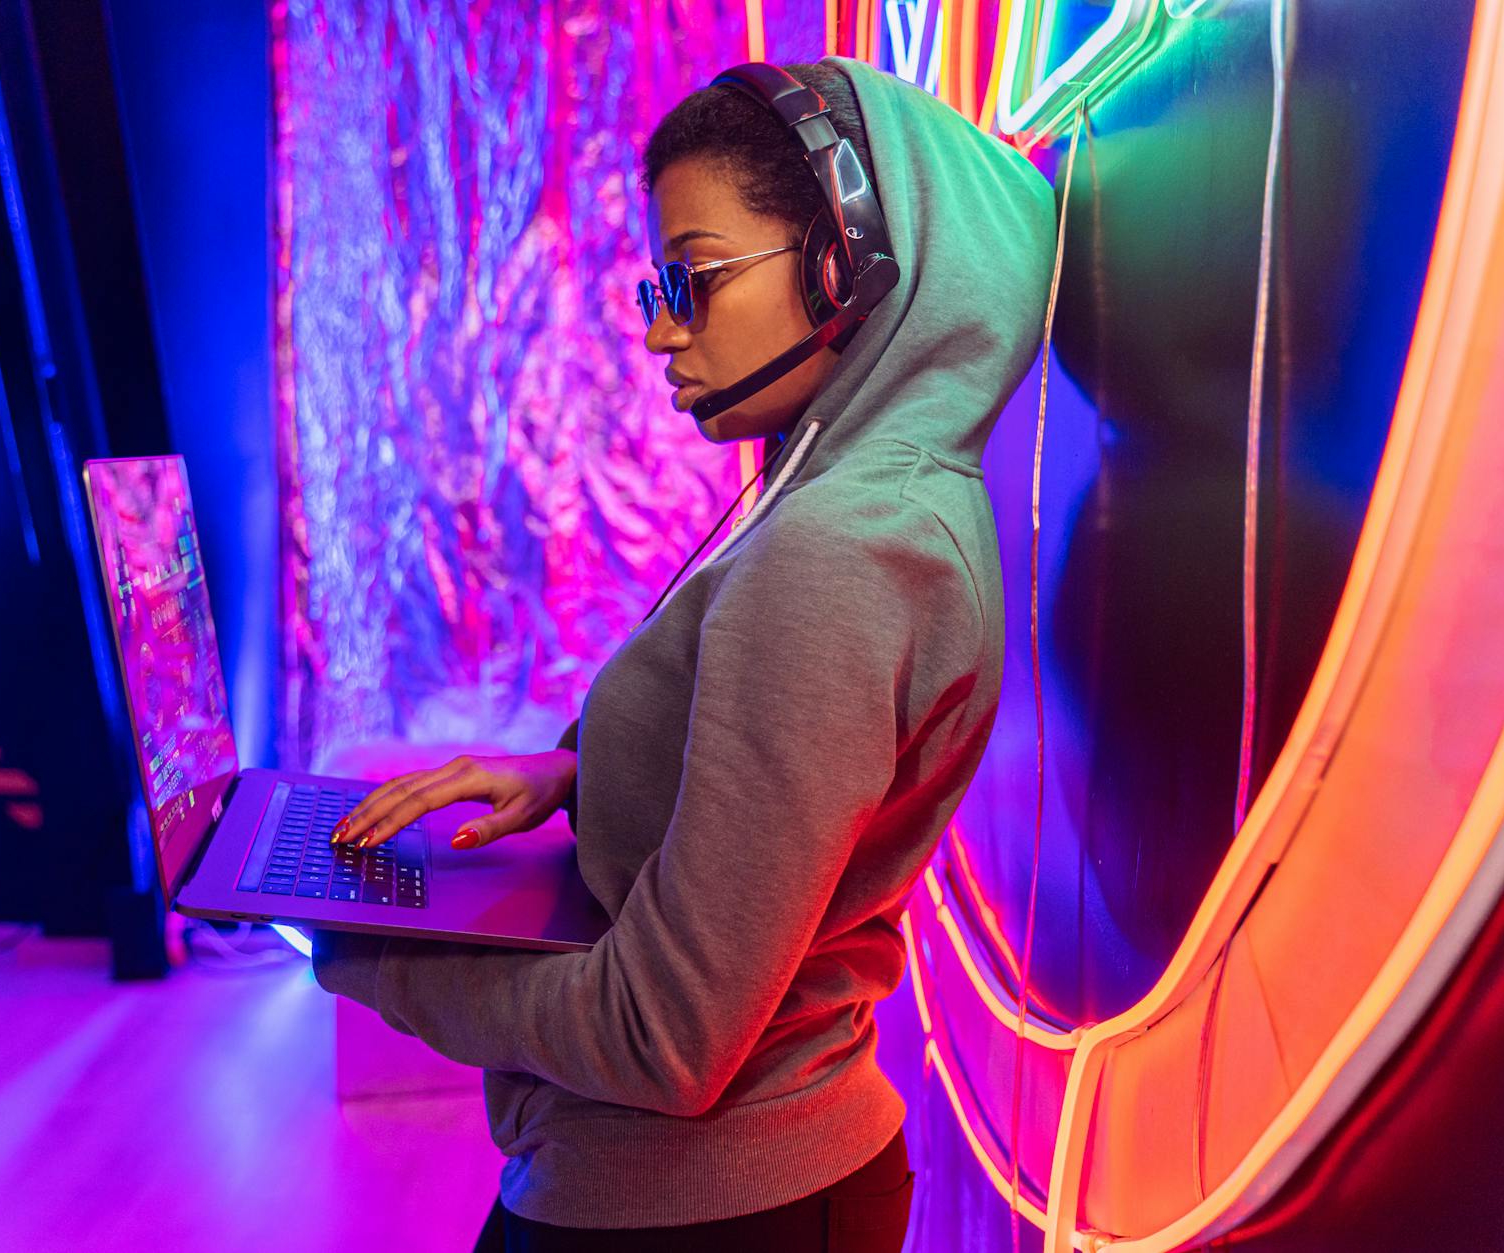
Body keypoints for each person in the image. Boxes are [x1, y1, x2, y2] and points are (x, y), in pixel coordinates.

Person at [310, 55, 1055, 1252]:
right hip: (738, 1188)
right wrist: (575, 771)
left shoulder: (836, 554)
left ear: (842, 268)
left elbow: (661, 1034)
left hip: (701, 1205)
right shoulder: (870, 502)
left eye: (693, 279)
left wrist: (360, 950)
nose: (660, 327)